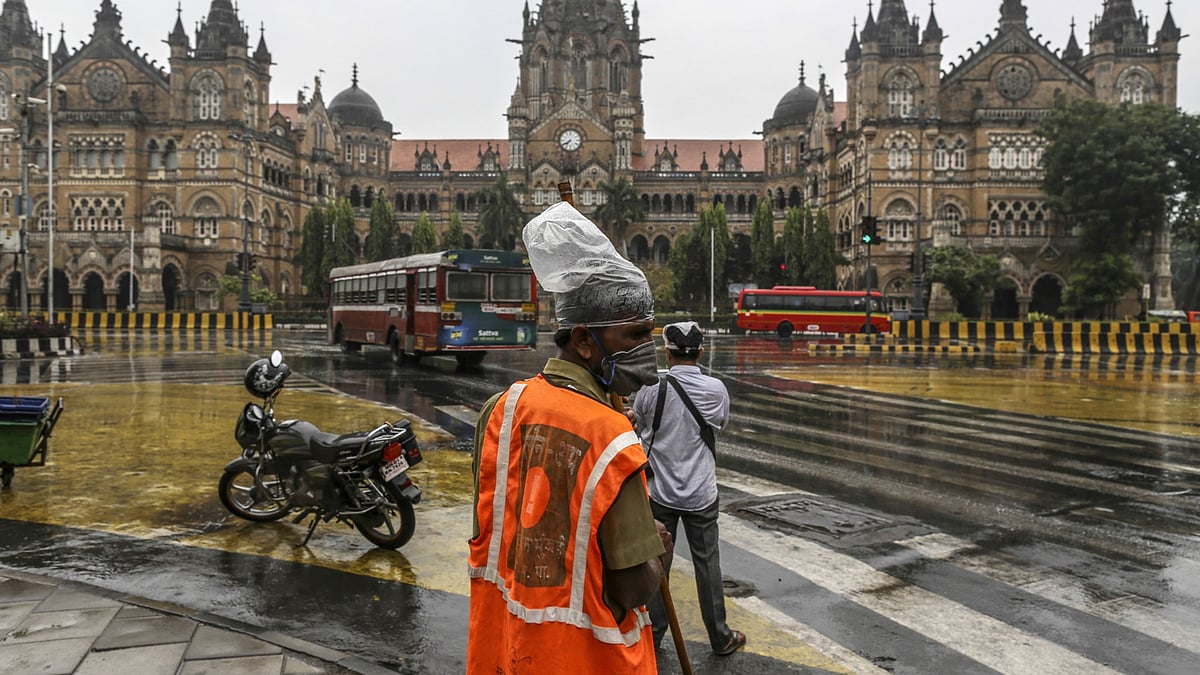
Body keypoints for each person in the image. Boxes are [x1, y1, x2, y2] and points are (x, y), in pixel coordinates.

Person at [467, 201, 672, 674]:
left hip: (503, 650)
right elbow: (632, 587)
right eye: (635, 336)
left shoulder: (500, 409)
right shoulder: (610, 435)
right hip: (585, 661)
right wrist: (657, 549)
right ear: (584, 341)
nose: (647, 351)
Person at [632, 320, 746, 656]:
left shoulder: (650, 390)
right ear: (701, 351)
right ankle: (720, 637)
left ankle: (651, 639)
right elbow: (718, 426)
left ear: (666, 353)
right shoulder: (716, 391)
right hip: (700, 493)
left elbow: (638, 423)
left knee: (657, 564)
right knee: (708, 564)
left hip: (660, 493)